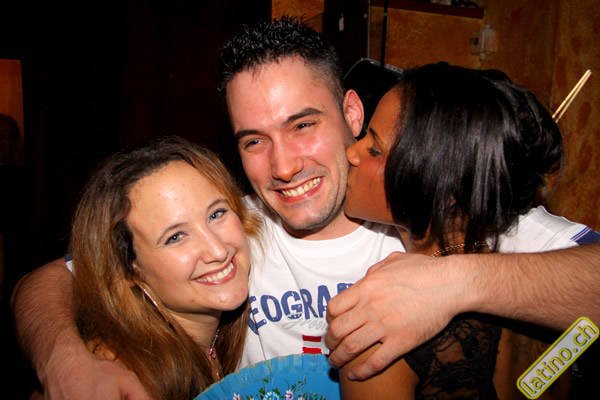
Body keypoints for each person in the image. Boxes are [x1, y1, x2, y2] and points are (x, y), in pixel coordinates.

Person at [10, 17, 600, 399]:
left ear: (351, 114)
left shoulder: (447, 211)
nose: (284, 166)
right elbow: (46, 282)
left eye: (302, 125)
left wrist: (452, 283)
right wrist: (63, 359)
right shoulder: (226, 230)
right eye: (254, 141)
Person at [337, 63, 587, 399]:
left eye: (375, 149)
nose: (351, 152)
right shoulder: (550, 308)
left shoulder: (380, 334)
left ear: (442, 187)